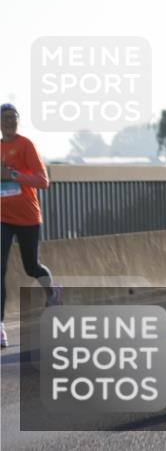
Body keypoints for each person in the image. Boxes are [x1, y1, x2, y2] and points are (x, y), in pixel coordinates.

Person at [1, 104, 63, 349]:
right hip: (2, 217)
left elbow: (43, 181)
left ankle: (53, 291)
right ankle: (1, 328)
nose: (9, 122)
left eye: (13, 118)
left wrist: (14, 176)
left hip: (27, 216)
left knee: (31, 266)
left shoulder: (26, 145)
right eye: (5, 118)